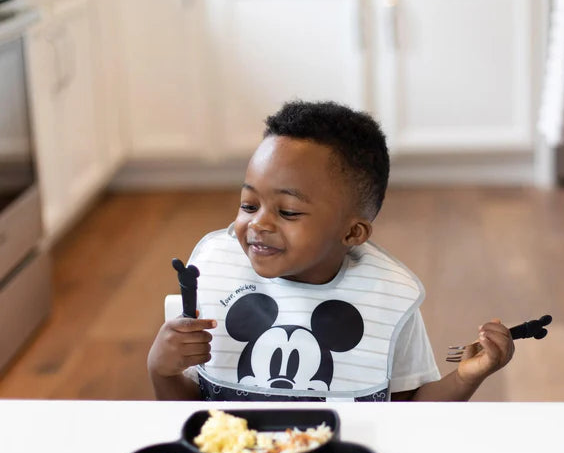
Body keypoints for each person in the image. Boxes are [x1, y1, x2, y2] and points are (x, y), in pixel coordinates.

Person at [147, 100, 514, 401]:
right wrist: (161, 369)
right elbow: (188, 413)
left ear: (353, 232)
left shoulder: (381, 296)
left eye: (288, 211)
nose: (259, 223)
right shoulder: (217, 274)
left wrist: (466, 377)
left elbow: (409, 412)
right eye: (248, 204)